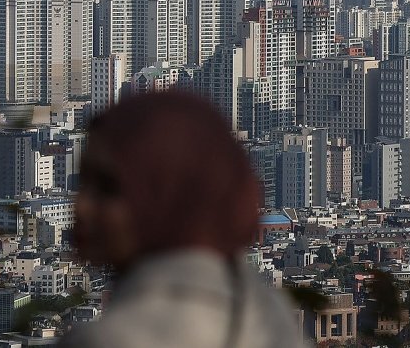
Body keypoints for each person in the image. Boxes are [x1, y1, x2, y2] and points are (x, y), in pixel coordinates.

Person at [61, 91, 307, 348]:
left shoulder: (110, 340)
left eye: (108, 188)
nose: (82, 206)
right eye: (83, 183)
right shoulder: (269, 316)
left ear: (171, 196)